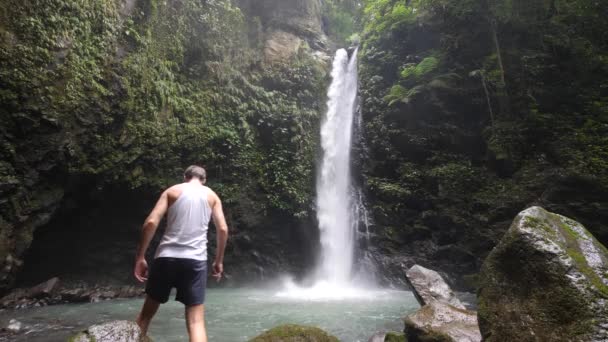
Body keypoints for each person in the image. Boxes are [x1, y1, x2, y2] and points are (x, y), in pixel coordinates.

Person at [133, 165, 229, 342]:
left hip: (166, 258)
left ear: (185, 176)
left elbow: (151, 223)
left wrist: (141, 256)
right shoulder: (212, 196)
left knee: (146, 315)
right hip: (195, 261)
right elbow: (222, 229)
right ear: (204, 179)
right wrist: (218, 260)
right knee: (196, 322)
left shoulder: (172, 191)